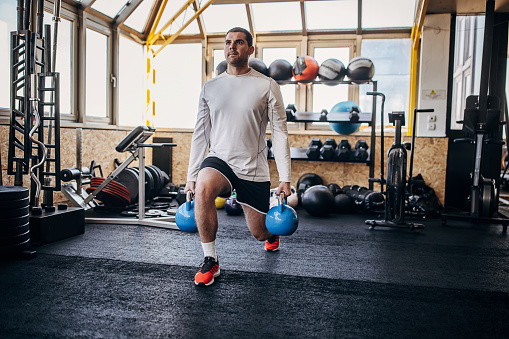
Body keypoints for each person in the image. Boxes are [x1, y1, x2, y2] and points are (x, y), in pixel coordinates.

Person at [185, 27, 292, 286]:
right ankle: (211, 260)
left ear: (250, 49)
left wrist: (285, 177)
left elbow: (279, 133)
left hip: (253, 167)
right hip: (219, 160)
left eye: (239, 42)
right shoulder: (210, 87)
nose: (232, 46)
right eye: (228, 42)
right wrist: (191, 176)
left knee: (259, 232)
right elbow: (201, 133)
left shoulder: (267, 85)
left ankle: (270, 235)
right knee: (203, 188)